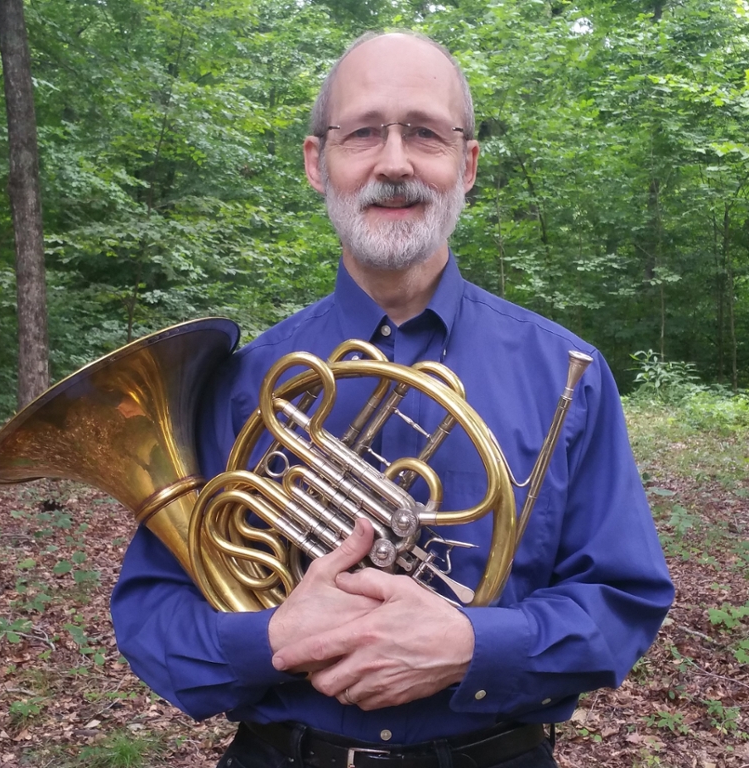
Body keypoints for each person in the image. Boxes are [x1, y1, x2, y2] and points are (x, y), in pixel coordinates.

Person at [111, 31, 674, 768]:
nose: (396, 162)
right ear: (320, 163)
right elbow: (152, 617)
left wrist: (473, 645)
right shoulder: (234, 381)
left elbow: (623, 600)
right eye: (365, 132)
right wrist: (274, 638)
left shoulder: (568, 373)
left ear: (466, 165)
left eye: (426, 134)